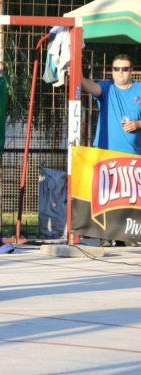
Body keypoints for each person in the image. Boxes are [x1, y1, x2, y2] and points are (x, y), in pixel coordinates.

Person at [82, 54, 141, 247]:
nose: (120, 72)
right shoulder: (107, 88)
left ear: (131, 71)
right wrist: (76, 74)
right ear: (112, 71)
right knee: (106, 194)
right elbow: (90, 87)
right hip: (105, 152)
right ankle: (105, 236)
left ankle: (127, 236)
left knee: (128, 196)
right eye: (116, 69)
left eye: (124, 68)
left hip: (132, 154)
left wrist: (137, 123)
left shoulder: (139, 90)